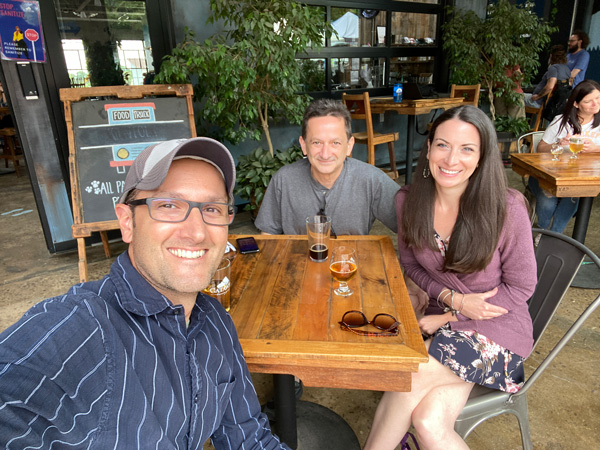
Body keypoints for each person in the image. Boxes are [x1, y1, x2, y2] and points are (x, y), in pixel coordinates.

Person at [0, 137, 290, 449]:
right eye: (168, 205)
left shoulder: (216, 323)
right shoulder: (86, 326)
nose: (196, 231)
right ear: (127, 222)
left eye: (212, 208)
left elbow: (248, 438)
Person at [364, 105, 537, 449]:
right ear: (428, 149)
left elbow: (522, 286)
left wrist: (453, 314)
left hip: (498, 332)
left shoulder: (507, 207)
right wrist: (450, 301)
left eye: (467, 149)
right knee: (428, 423)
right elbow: (411, 265)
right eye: (442, 145)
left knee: (407, 373)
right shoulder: (408, 202)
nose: (451, 159)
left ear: (482, 156)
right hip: (446, 325)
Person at [255, 98, 399, 235]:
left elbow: (413, 225)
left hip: (350, 260)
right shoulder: (284, 180)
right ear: (304, 145)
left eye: (335, 143)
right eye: (317, 142)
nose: (325, 154)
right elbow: (267, 236)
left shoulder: (372, 180)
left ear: (349, 146)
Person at [528, 80, 600, 233]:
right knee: (549, 201)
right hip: (549, 176)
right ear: (576, 104)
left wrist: (596, 148)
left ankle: (550, 236)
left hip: (581, 179)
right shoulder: (561, 121)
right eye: (588, 101)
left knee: (573, 197)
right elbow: (540, 149)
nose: (595, 104)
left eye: (598, 98)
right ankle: (545, 232)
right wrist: (559, 144)